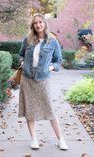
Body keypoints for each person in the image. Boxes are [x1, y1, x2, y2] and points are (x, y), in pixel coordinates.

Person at [18, 13, 68, 151]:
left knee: (50, 110)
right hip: (27, 79)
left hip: (43, 80)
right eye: (35, 23)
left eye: (40, 22)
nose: (38, 25)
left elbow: (58, 60)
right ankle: (34, 139)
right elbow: (20, 55)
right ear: (32, 25)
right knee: (30, 110)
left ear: (45, 23)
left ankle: (60, 139)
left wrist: (52, 67)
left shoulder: (52, 41)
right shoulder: (27, 40)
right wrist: (22, 63)